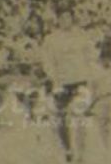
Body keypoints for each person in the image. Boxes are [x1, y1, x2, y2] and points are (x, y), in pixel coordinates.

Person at [41, 13, 103, 163]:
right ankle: (68, 149)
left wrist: (91, 77)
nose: (64, 21)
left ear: (72, 19)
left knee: (80, 117)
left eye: (67, 17)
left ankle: (81, 154)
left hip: (80, 81)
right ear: (58, 20)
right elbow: (47, 62)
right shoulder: (51, 39)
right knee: (60, 119)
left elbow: (92, 58)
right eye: (62, 18)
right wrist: (54, 80)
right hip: (61, 83)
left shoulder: (82, 36)